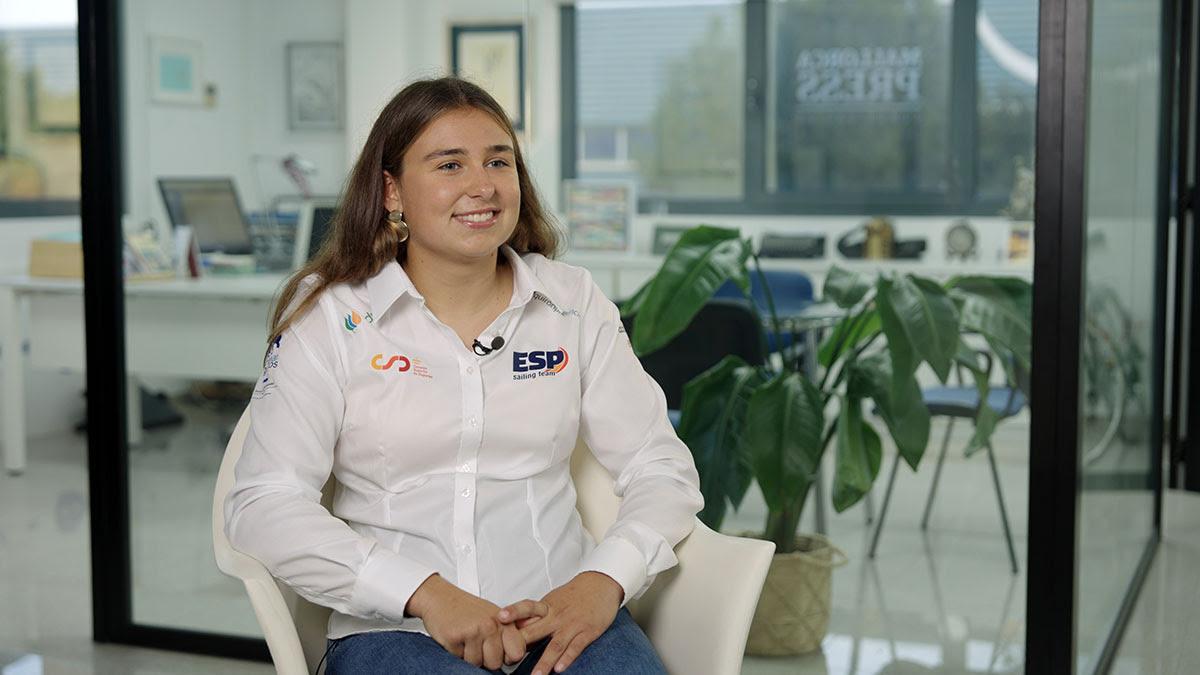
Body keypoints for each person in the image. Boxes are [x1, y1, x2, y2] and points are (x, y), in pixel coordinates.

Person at [224, 77, 703, 674]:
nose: (484, 186)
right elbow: (263, 503)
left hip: (562, 615)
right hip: (397, 629)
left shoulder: (571, 301)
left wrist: (603, 581)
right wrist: (425, 594)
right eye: (449, 164)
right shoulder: (330, 315)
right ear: (392, 190)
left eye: (498, 161)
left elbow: (660, 467)